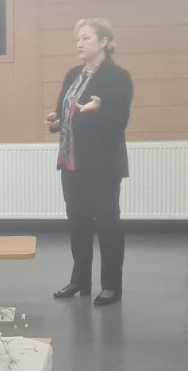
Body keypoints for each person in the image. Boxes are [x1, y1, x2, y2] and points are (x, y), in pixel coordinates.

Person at [46, 16, 133, 306]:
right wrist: (56, 121)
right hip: (72, 162)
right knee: (78, 222)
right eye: (78, 39)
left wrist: (97, 110)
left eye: (86, 38)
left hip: (102, 164)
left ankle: (111, 286)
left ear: (104, 42)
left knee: (108, 223)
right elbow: (64, 113)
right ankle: (80, 279)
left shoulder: (117, 77)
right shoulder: (73, 74)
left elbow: (119, 121)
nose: (79, 43)